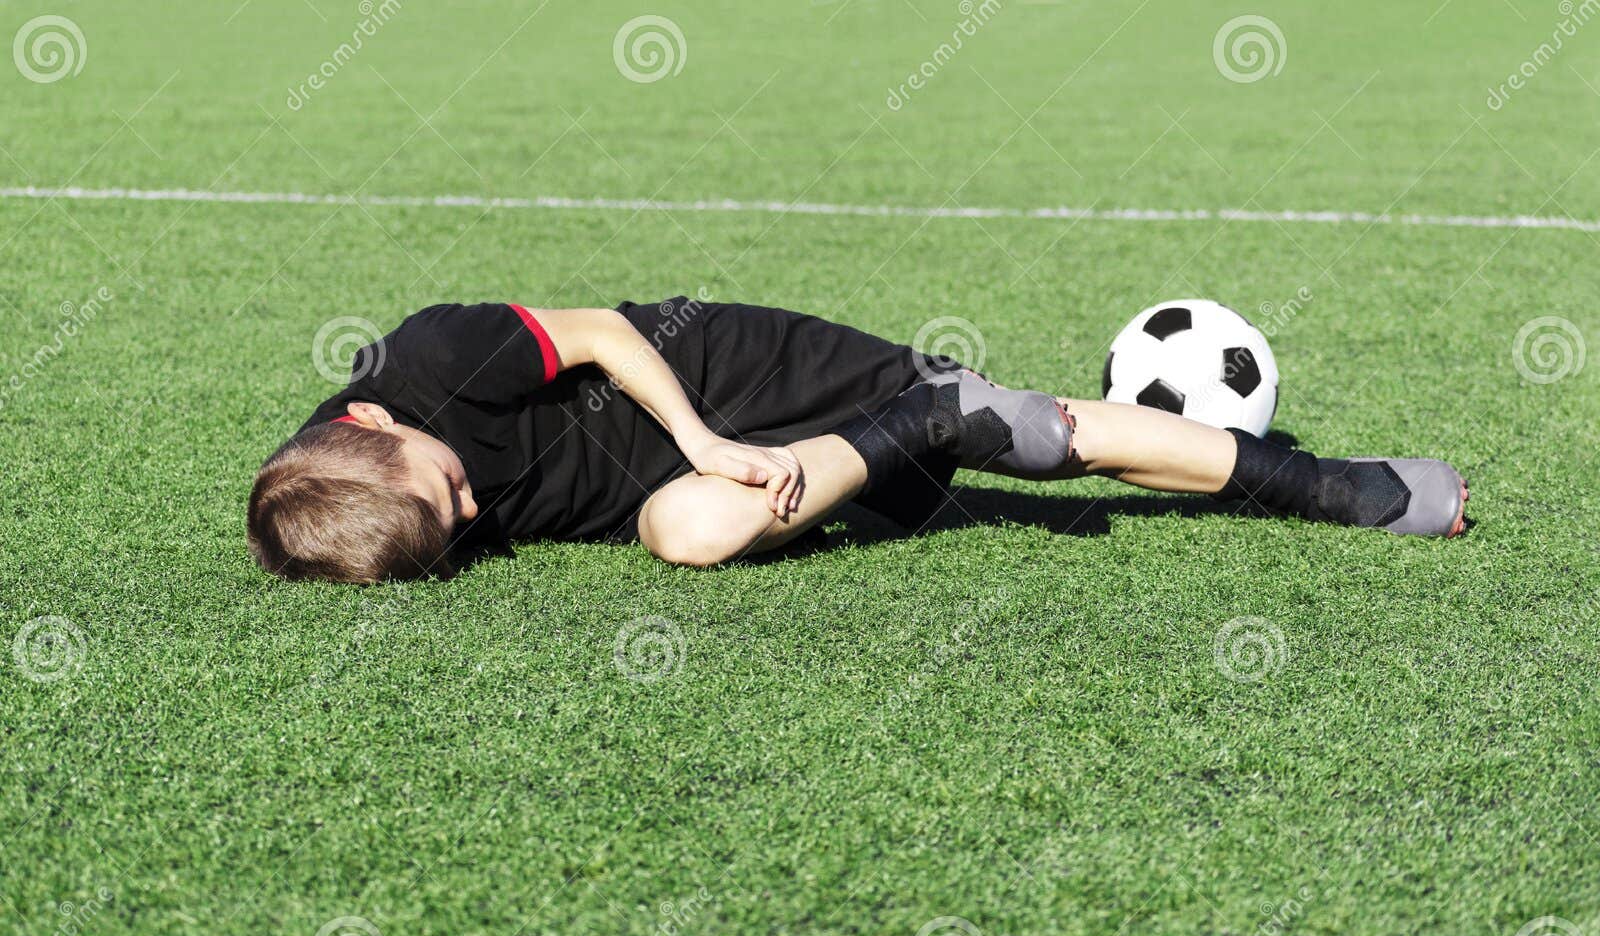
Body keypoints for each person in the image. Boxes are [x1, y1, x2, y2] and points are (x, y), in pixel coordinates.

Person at [246, 297, 1468, 584]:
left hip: (725, 377)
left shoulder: (419, 362)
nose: (474, 522)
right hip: (674, 490)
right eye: (454, 533)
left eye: (454, 492)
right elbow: (417, 518)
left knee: (1034, 441)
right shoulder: (356, 511)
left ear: (372, 425)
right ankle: (914, 431)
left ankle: (1328, 487)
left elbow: (610, 335)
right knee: (686, 539)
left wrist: (708, 435)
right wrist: (702, 474)